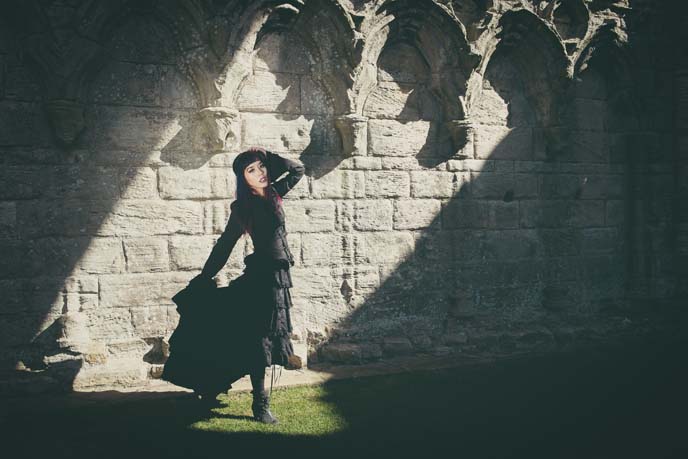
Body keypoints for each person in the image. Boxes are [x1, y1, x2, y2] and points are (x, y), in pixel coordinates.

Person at [163, 147, 305, 424]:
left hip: (279, 279)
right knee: (259, 341)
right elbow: (226, 244)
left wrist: (267, 155)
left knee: (261, 340)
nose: (260, 173)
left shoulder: (275, 193)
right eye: (251, 170)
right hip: (261, 279)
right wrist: (205, 277)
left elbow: (297, 168)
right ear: (242, 178)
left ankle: (227, 390)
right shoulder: (243, 207)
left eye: (261, 167)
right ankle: (259, 404)